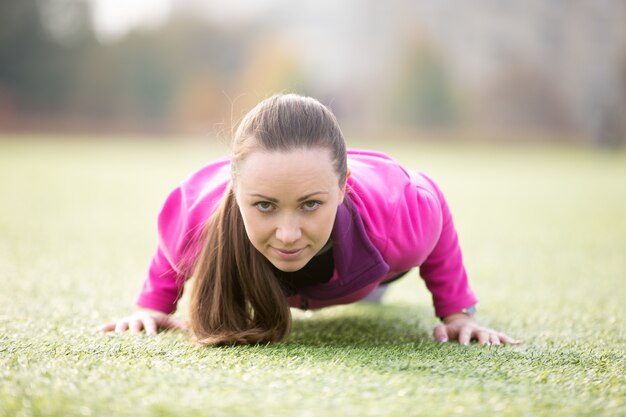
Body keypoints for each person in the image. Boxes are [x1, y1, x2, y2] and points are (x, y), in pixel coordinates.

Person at [99, 94, 521, 347]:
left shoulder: (400, 214)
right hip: (291, 264)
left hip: (370, 269)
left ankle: (367, 286)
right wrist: (152, 306)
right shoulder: (193, 218)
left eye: (310, 204)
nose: (287, 234)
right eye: (264, 205)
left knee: (370, 288)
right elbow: (167, 262)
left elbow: (437, 206)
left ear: (342, 189)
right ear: (236, 191)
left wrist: (457, 313)